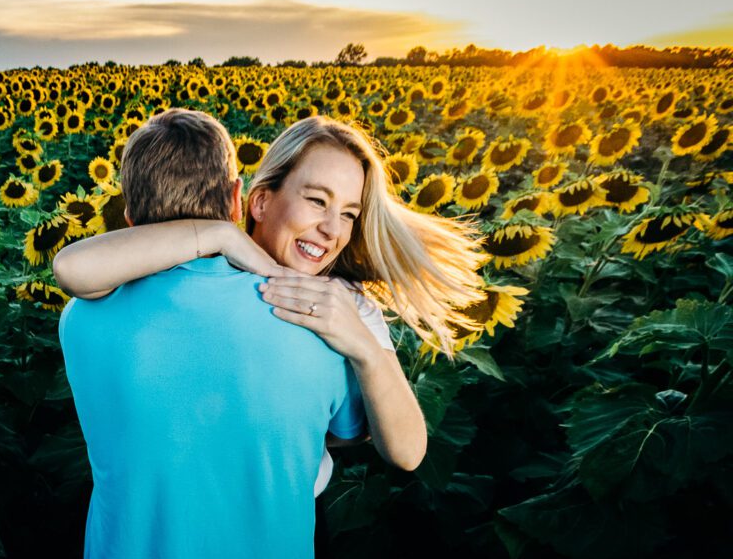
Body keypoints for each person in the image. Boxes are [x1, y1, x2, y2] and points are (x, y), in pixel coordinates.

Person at [58, 108, 371, 559]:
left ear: (129, 216)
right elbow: (348, 432)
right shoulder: (309, 319)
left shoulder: (82, 319)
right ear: (236, 198)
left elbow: (77, 269)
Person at [55, 115, 488, 496]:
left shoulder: (345, 305)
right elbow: (75, 268)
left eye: (350, 214)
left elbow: (407, 451)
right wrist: (223, 236)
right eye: (317, 200)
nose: (331, 229)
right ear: (256, 201)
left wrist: (365, 349)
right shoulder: (210, 276)